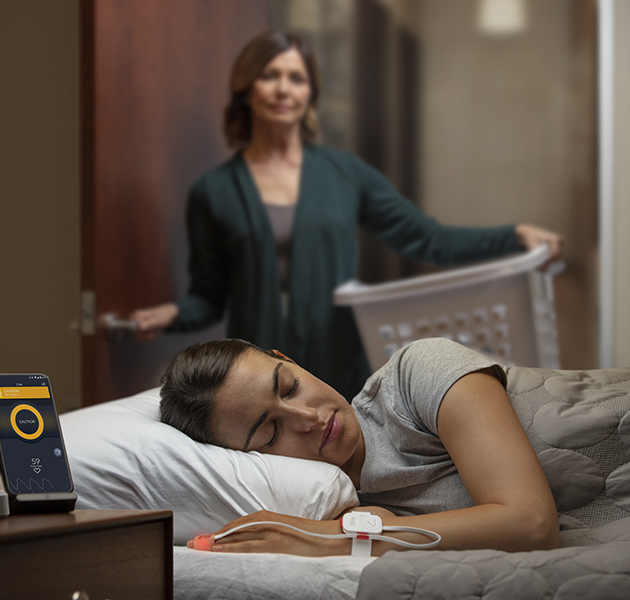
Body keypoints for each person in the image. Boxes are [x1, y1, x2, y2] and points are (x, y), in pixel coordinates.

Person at [130, 31, 564, 401]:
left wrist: (515, 235)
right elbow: (209, 294)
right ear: (246, 88)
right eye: (270, 76)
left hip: (342, 365)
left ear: (310, 93)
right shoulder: (215, 190)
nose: (284, 89)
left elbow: (429, 239)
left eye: (296, 78)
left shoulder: (345, 174)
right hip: (256, 375)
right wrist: (169, 314)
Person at [159, 336, 560, 557]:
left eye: (290, 386)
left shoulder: (415, 375)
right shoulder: (339, 504)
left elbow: (532, 524)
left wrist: (337, 538)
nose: (308, 418)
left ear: (290, 360)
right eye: (271, 432)